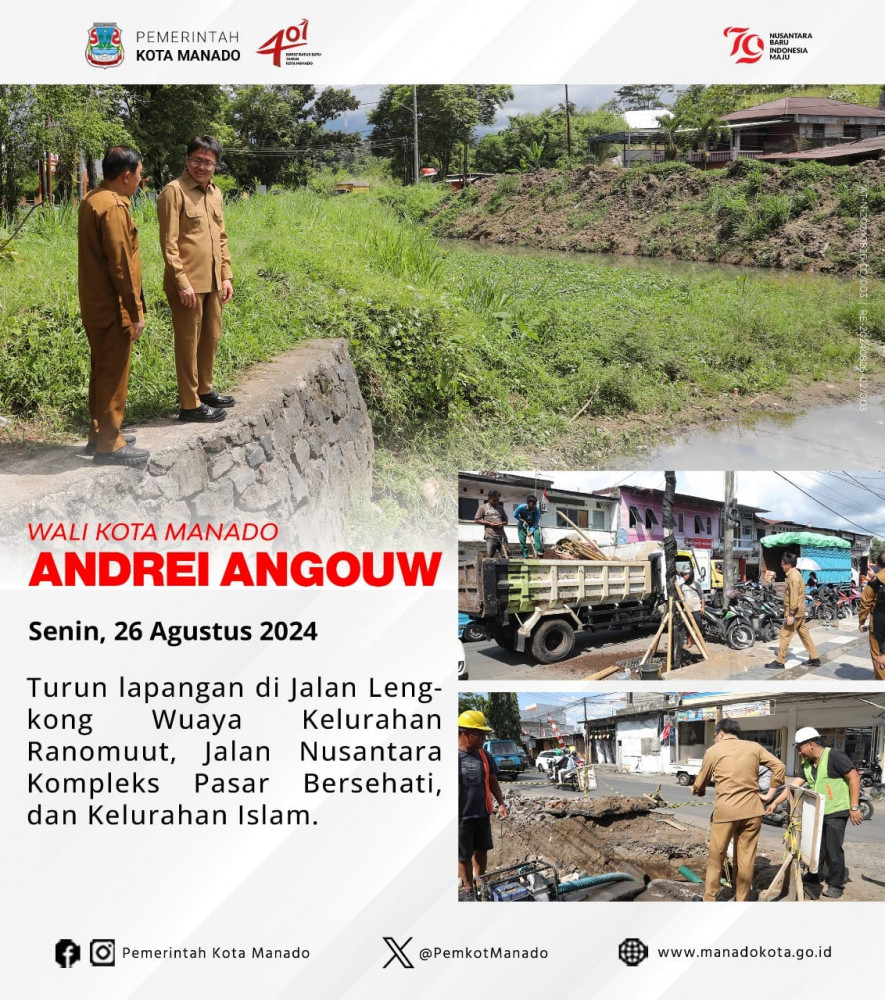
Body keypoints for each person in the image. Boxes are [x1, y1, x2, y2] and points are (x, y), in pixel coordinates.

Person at [77, 145, 150, 467]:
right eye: (139, 175)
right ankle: (110, 444)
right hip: (113, 305)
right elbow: (121, 265)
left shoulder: (92, 199)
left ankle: (99, 433)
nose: (140, 181)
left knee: (100, 371)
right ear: (125, 176)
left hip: (94, 303)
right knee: (113, 373)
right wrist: (135, 313)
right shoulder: (113, 208)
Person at [157, 135, 234, 423]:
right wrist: (182, 282)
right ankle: (189, 405)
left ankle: (205, 390)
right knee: (188, 343)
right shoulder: (173, 192)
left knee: (210, 337)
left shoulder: (215, 193)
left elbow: (221, 238)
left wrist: (226, 275)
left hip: (214, 281)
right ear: (187, 160)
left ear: (216, 165)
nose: (202, 166)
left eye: (208, 162)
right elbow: (169, 243)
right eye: (197, 160)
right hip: (187, 285)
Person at [692, 718, 785, 902]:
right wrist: (769, 795)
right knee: (746, 859)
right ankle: (741, 900)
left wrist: (697, 790)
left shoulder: (713, 751)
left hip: (726, 813)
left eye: (715, 736)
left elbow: (700, 783)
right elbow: (779, 767)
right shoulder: (754, 747)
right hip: (752, 811)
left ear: (720, 734)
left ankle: (709, 900)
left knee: (716, 858)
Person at [765, 727, 863, 899]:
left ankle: (836, 884)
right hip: (818, 812)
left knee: (834, 849)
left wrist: (854, 807)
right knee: (817, 846)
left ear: (810, 744)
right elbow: (792, 786)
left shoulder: (834, 756)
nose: (798, 752)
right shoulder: (808, 765)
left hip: (837, 810)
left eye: (799, 748)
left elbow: (854, 777)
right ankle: (813, 874)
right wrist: (775, 802)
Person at [458, 711, 507, 896]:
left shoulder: (484, 755)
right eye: (478, 733)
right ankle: (469, 888)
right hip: (461, 817)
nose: (483, 738)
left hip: (482, 813)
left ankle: (481, 882)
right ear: (464, 732)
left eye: (484, 734)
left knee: (482, 851)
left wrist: (501, 803)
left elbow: (493, 780)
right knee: (463, 856)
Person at [764, 552, 821, 670]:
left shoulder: (793, 576)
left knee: (784, 634)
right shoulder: (795, 574)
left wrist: (790, 614)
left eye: (783, 563)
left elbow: (793, 597)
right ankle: (814, 658)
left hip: (794, 612)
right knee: (804, 634)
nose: (781, 565)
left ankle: (780, 661)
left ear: (788, 564)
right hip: (799, 611)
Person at [858, 552, 885, 680]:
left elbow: (865, 603)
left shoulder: (874, 582)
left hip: (878, 626)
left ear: (878, 564)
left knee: (878, 656)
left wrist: (861, 621)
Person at [676, 568, 705, 652]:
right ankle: (689, 642)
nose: (684, 576)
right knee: (687, 626)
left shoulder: (696, 584)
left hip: (696, 609)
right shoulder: (682, 586)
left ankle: (701, 642)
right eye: (684, 575)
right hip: (687, 610)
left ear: (690, 575)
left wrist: (703, 607)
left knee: (698, 626)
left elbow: (702, 596)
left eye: (686, 575)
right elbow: (680, 599)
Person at [473, 489, 508, 557]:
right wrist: (489, 523)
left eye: (497, 500)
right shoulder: (483, 507)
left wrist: (501, 524)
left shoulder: (500, 508)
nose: (496, 502)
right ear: (489, 499)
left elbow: (506, 521)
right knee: (490, 555)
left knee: (507, 554)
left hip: (502, 535)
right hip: (490, 536)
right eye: (494, 500)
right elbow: (476, 520)